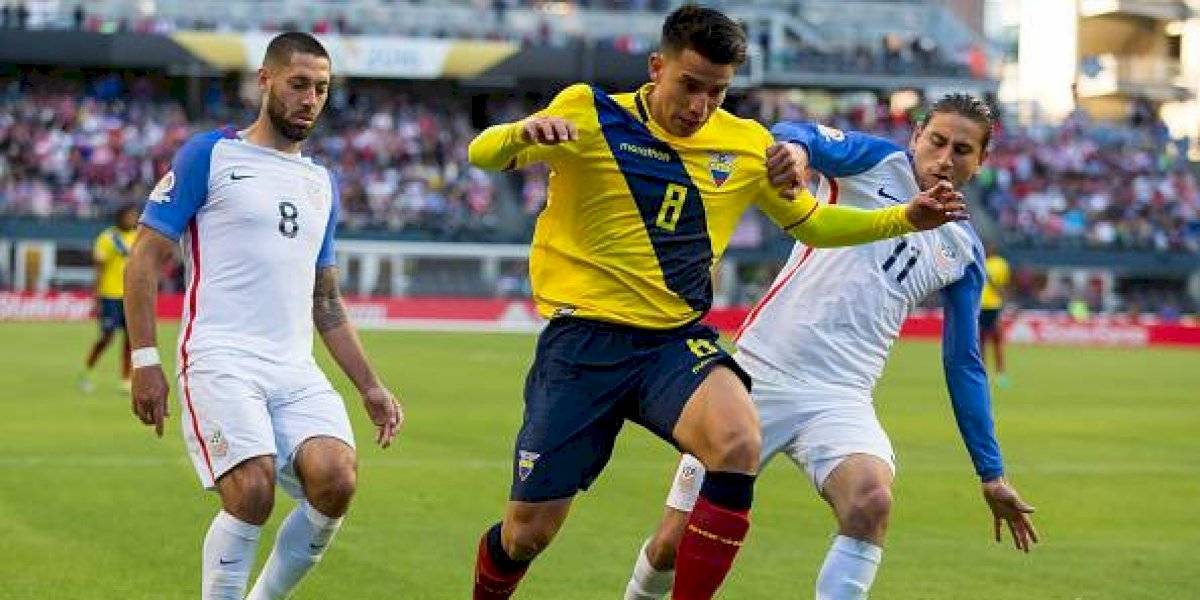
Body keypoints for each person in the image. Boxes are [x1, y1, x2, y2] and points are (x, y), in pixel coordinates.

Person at [465, 6, 967, 599]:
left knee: (737, 440)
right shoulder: (588, 111)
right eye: (690, 85)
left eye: (718, 92)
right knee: (527, 535)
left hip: (671, 343)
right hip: (583, 343)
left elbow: (811, 223)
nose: (700, 106)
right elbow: (483, 154)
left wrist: (902, 218)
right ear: (657, 67)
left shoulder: (747, 145)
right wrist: (520, 134)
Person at [623, 95, 1039, 600]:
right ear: (916, 137)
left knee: (871, 502)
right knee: (673, 544)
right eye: (937, 141)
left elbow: (964, 363)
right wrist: (797, 153)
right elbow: (801, 133)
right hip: (756, 376)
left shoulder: (965, 251)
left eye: (963, 150)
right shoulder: (876, 162)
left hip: (841, 398)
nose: (945, 158)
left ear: (982, 160)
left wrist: (991, 473)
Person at [123, 32, 403, 600]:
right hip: (220, 356)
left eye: (321, 88)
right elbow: (144, 260)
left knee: (337, 479)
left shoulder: (321, 182)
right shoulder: (209, 155)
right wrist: (144, 360)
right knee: (251, 491)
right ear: (265, 81)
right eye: (298, 84)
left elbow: (326, 300)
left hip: (294, 367)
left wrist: (370, 386)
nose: (310, 99)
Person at [80, 203, 138, 394]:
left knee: (130, 340)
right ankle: (87, 372)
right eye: (129, 216)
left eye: (134, 216)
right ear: (120, 217)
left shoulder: (138, 236)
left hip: (130, 296)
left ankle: (126, 379)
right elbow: (99, 269)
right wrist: (96, 297)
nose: (133, 219)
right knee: (107, 338)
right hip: (110, 296)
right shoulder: (107, 238)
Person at [979, 243, 1011, 387]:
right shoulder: (979, 260)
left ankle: (1000, 373)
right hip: (980, 305)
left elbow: (1003, 284)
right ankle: (983, 373)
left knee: (996, 340)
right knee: (981, 341)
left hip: (993, 305)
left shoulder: (1000, 264)